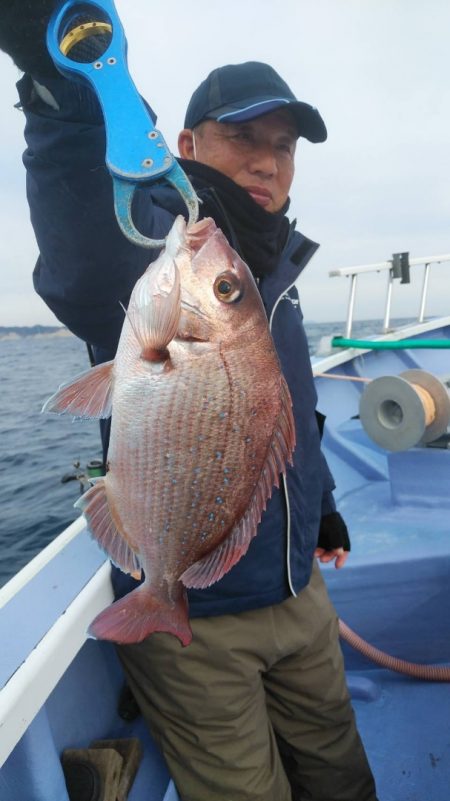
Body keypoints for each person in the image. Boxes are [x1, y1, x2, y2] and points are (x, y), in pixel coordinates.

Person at [0, 3, 379, 800]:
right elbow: (78, 247)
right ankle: (160, 595)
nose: (268, 161)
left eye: (283, 146)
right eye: (245, 137)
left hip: (299, 592)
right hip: (198, 625)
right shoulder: (152, 237)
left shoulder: (270, 269)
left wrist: (326, 508)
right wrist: (64, 99)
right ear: (186, 146)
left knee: (341, 769)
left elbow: (288, 420)